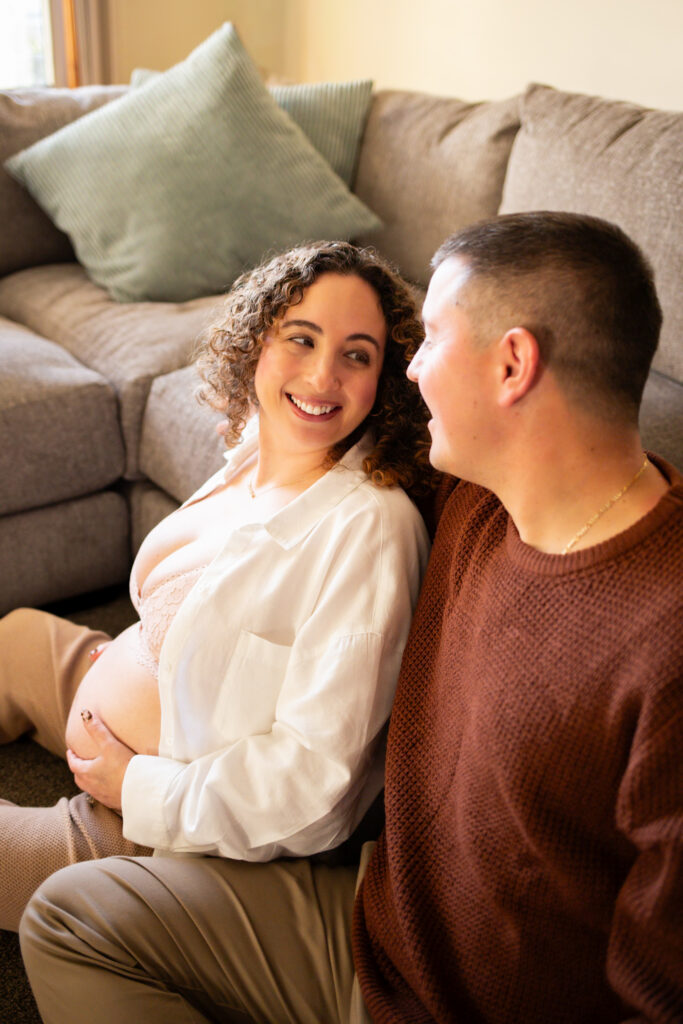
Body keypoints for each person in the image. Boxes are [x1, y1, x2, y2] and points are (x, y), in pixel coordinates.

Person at [18, 212, 683, 1024]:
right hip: (386, 903)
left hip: (425, 994)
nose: (410, 372)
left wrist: (149, 784)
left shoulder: (661, 643)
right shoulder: (487, 499)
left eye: (429, 340)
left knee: (69, 917)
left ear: (511, 364)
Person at [0, 240, 433, 933]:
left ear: (383, 378)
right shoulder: (252, 455)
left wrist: (136, 786)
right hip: (132, 704)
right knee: (15, 636)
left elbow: (316, 786)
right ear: (256, 343)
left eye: (357, 354)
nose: (323, 375)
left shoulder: (369, 533)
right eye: (301, 338)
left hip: (166, 831)